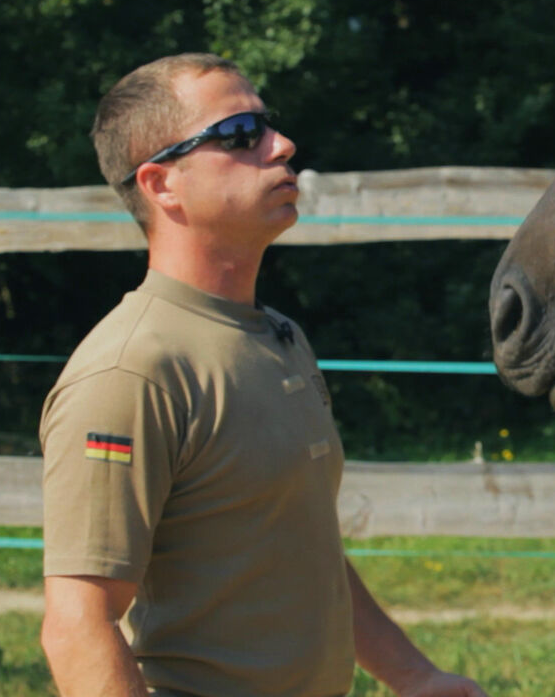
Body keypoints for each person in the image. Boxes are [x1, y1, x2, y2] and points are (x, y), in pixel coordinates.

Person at [38, 53, 488, 697]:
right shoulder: (129, 372)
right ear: (162, 185)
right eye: (241, 134)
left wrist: (414, 677)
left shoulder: (279, 335)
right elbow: (79, 623)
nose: (282, 145)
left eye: (268, 125)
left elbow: (299, 549)